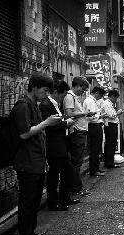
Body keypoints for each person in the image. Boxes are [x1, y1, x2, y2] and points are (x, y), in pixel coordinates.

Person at [12, 73, 62, 235]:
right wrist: (47, 123)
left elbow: (37, 133)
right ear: (34, 87)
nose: (46, 94)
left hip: (37, 162)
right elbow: (24, 134)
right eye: (44, 90)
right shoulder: (23, 106)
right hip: (27, 163)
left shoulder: (34, 105)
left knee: (33, 203)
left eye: (49, 91)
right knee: (27, 205)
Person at [39, 80, 74, 211]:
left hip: (61, 144)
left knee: (66, 171)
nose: (64, 98)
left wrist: (64, 120)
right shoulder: (46, 105)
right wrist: (66, 123)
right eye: (63, 95)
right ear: (55, 92)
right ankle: (53, 202)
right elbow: (49, 125)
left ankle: (64, 198)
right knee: (54, 175)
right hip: (54, 146)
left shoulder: (54, 104)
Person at [63, 76, 92, 197]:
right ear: (78, 86)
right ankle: (76, 188)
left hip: (80, 131)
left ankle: (76, 187)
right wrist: (84, 113)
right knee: (76, 162)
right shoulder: (70, 96)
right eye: (83, 89)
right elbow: (69, 113)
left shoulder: (74, 97)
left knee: (77, 162)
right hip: (76, 132)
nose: (83, 91)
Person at [84, 86, 107, 176]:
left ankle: (95, 168)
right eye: (100, 96)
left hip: (94, 126)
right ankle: (94, 170)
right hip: (93, 126)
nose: (100, 98)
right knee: (95, 149)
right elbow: (91, 117)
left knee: (96, 148)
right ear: (97, 93)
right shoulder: (90, 101)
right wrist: (101, 116)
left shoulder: (91, 100)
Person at [102, 89, 123, 168]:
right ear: (112, 96)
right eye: (116, 98)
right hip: (110, 125)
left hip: (112, 124)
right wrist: (118, 113)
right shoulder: (107, 103)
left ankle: (110, 162)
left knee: (112, 144)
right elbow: (111, 115)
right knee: (110, 144)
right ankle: (109, 163)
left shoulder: (110, 104)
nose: (116, 100)